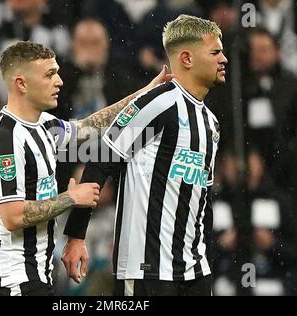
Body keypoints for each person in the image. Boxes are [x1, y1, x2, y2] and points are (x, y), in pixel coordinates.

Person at [0, 40, 172, 296]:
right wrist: (71, 197)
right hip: (11, 281)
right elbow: (12, 216)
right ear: (21, 83)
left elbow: (91, 125)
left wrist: (145, 93)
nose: (59, 81)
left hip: (35, 276)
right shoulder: (5, 138)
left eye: (57, 72)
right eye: (49, 75)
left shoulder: (44, 125)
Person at [62, 14, 228, 296]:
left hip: (196, 272)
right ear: (186, 59)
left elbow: (203, 201)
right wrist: (76, 236)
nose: (223, 58)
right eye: (215, 52)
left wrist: (207, 260)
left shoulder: (211, 122)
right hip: (147, 270)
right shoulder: (155, 103)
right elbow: (101, 159)